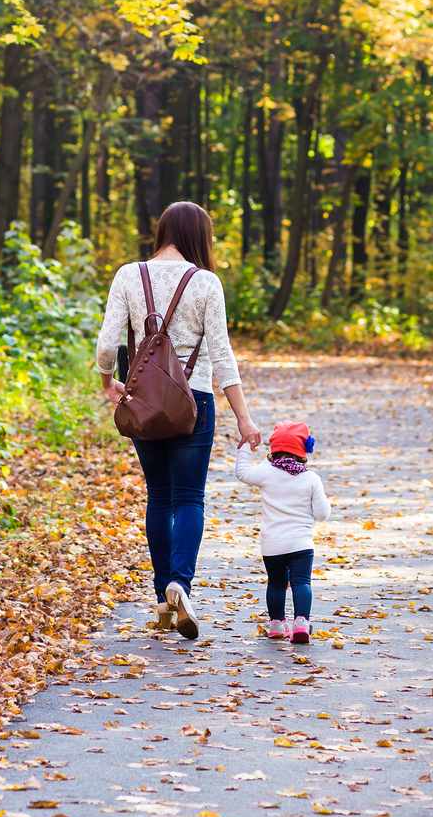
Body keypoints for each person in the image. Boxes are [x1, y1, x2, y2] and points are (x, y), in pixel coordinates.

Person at [96, 202, 259, 640]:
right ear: (199, 237)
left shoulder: (129, 275)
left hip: (144, 402)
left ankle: (160, 596)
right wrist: (244, 419)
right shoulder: (205, 282)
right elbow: (222, 356)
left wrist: (109, 381)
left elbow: (108, 343)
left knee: (159, 495)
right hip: (196, 402)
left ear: (163, 231)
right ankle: (178, 584)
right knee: (189, 496)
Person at [233, 421, 329, 645]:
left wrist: (246, 446)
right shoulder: (311, 479)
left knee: (276, 583)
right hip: (301, 543)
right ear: (303, 451)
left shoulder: (266, 472)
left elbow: (242, 472)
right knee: (301, 583)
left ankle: (276, 625)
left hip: (272, 544)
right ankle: (301, 623)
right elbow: (323, 514)